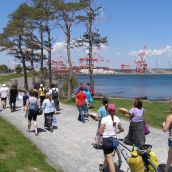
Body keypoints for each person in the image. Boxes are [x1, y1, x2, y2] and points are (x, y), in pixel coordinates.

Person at [95, 104, 124, 172]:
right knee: (108, 156)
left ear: (108, 110)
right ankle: (103, 167)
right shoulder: (117, 118)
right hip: (114, 141)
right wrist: (119, 131)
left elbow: (99, 131)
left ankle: (105, 168)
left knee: (110, 161)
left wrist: (99, 138)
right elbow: (121, 129)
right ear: (115, 111)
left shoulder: (104, 119)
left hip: (106, 141)